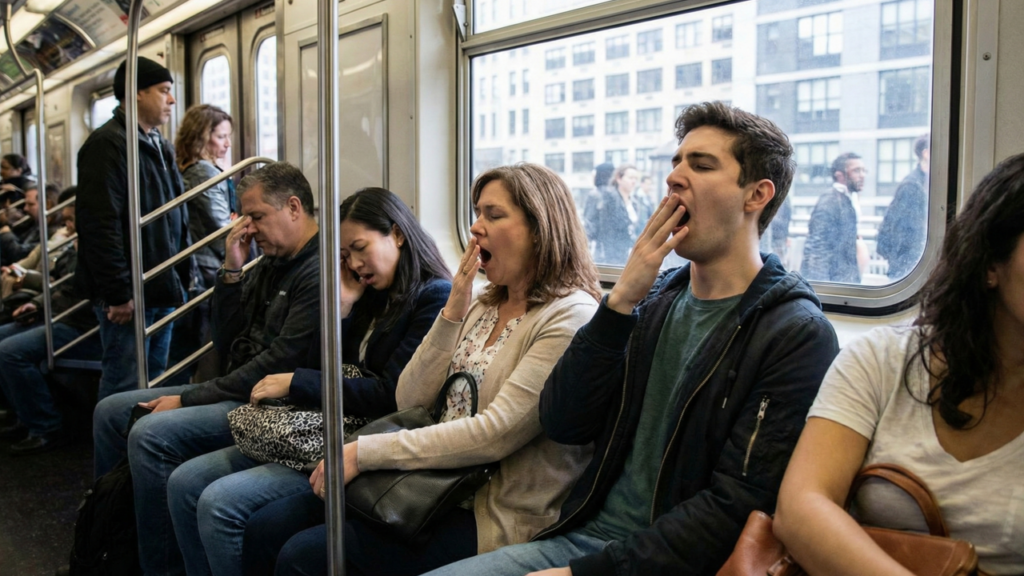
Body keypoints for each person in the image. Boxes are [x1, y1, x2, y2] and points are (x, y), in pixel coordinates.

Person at [420, 102, 839, 576]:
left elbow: (736, 503)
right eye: (676, 163)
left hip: (667, 563)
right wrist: (618, 303)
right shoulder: (654, 302)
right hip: (583, 533)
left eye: (700, 165)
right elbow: (563, 421)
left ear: (756, 195)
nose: (674, 178)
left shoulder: (795, 335)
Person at [243, 163, 603, 576]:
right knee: (266, 527)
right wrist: (455, 308)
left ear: (540, 228)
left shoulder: (569, 316)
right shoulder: (484, 303)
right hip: (432, 480)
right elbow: (410, 397)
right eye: (476, 213)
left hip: (490, 505)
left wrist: (366, 453)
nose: (476, 228)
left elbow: (496, 433)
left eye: (493, 214)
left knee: (304, 556)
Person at [166, 187, 453, 576]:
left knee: (220, 503)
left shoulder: (432, 298)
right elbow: (324, 363)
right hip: (322, 426)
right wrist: (344, 307)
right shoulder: (369, 293)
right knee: (185, 482)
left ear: (398, 234)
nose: (354, 264)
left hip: (362, 440)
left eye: (359, 248)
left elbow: (392, 395)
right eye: (345, 255)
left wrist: (296, 383)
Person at [773, 153, 1024, 576]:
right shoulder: (881, 359)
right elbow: (801, 507)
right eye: (857, 171)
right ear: (991, 265)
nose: (862, 176)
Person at [91, 162, 321, 576]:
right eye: (243, 217)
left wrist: (187, 397)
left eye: (256, 216)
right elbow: (228, 337)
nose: (248, 228)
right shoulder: (271, 260)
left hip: (272, 400)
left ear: (293, 207)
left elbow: (277, 363)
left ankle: (158, 568)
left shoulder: (316, 272)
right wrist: (232, 271)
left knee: (150, 433)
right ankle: (111, 543)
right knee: (110, 410)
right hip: (238, 383)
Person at [74, 56, 192, 398]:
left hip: (161, 282)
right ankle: (113, 451)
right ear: (136, 93)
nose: (171, 100)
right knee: (124, 382)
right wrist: (117, 291)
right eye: (163, 91)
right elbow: (100, 223)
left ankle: (136, 449)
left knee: (152, 381)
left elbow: (173, 215)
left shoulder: (158, 144)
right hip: (132, 290)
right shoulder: (107, 145)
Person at [0, 187, 100, 455]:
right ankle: (25, 415)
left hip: (80, 325)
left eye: (70, 221)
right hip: (59, 313)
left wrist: (81, 254)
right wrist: (37, 303)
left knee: (10, 352)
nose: (66, 226)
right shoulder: (74, 242)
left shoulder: (95, 246)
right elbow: (58, 285)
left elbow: (81, 291)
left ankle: (46, 426)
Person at [175, 104, 237, 290]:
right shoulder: (203, 172)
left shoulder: (192, 167)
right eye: (221, 137)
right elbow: (218, 223)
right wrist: (235, 257)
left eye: (228, 137)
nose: (228, 144)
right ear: (200, 138)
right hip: (209, 262)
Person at [801, 152, 865, 283]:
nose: (862, 175)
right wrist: (822, 292)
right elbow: (817, 249)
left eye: (864, 170)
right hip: (833, 284)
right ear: (840, 175)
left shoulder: (845, 199)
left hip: (841, 282)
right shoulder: (830, 201)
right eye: (856, 171)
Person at [876, 134, 930, 280]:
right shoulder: (912, 186)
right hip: (907, 268)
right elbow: (907, 234)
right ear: (926, 153)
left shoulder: (924, 183)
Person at [586, 163, 643, 266]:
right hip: (609, 257)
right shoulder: (609, 199)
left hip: (627, 254)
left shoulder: (635, 203)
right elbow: (600, 228)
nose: (633, 181)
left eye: (636, 178)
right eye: (630, 177)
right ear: (619, 178)